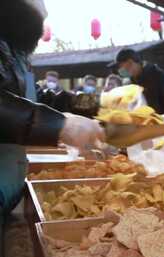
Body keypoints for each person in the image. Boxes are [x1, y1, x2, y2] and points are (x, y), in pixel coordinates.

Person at [0, 0, 104, 214]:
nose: (44, 11)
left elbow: (36, 99)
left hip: (9, 182)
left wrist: (92, 104)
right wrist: (60, 126)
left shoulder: (16, 53)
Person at [108, 48, 164, 124]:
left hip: (163, 125)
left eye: (123, 68)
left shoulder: (158, 76)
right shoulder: (131, 82)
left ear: (130, 62)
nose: (122, 71)